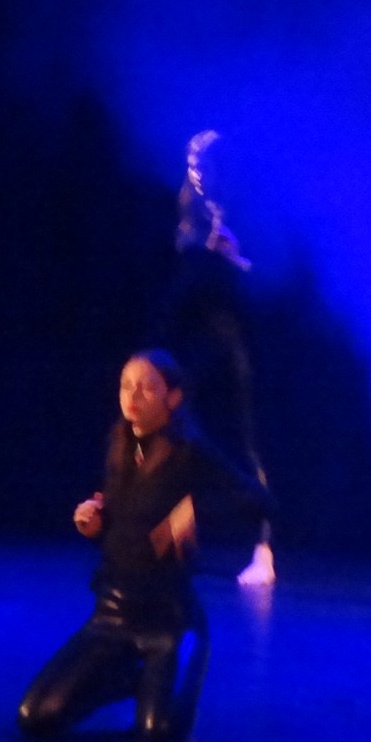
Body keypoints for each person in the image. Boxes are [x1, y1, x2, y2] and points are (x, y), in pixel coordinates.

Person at [17, 350, 272, 742]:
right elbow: (124, 524)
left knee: (158, 735)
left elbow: (258, 501)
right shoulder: (121, 445)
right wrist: (95, 523)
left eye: (147, 387)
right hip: (112, 617)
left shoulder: (189, 451)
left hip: (168, 623)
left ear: (173, 397)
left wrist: (196, 510)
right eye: (126, 386)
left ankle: (158, 676)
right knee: (35, 717)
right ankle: (125, 678)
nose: (133, 395)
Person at [159, 130, 277, 587]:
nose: (197, 172)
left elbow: (261, 276)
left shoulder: (244, 210)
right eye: (192, 163)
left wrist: (234, 258)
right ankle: (178, 538)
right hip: (197, 336)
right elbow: (185, 268)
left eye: (204, 163)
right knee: (181, 434)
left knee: (247, 442)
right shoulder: (188, 207)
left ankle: (264, 550)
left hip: (234, 337)